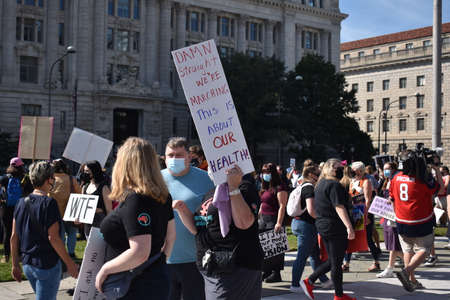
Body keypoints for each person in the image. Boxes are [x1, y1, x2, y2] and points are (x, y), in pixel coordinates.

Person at [95, 137, 176, 299]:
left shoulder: (136, 199)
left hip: (133, 285)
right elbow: (171, 238)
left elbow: (140, 252)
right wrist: (158, 266)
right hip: (153, 280)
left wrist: (105, 269)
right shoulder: (162, 196)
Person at [173, 165, 263, 300]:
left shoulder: (244, 187)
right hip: (213, 267)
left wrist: (233, 188)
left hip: (234, 267)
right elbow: (198, 228)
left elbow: (244, 223)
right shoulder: (214, 190)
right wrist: (183, 210)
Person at [10, 161, 79, 300]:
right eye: (53, 177)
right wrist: (70, 263)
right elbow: (54, 238)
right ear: (48, 179)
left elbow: (14, 237)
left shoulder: (20, 202)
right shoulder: (49, 203)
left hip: (27, 263)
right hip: (46, 264)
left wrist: (14, 265)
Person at [161, 137, 215, 300]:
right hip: (163, 259)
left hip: (195, 260)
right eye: (170, 155)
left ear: (189, 157)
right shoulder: (155, 180)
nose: (174, 159)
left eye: (179, 155)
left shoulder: (206, 180)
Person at [300, 158, 356, 300]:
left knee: (333, 260)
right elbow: (339, 207)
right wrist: (349, 226)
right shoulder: (333, 185)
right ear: (329, 168)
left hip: (324, 225)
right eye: (337, 167)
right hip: (334, 226)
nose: (340, 169)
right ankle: (338, 295)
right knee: (336, 262)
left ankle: (310, 281)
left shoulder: (320, 184)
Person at [390, 150, 444, 292]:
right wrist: (436, 169)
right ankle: (406, 272)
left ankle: (411, 280)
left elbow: (392, 198)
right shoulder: (422, 179)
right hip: (421, 220)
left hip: (401, 220)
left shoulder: (395, 177)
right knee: (424, 249)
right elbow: (440, 189)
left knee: (408, 250)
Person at [290, 165, 331, 293]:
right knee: (302, 256)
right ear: (311, 174)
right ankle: (295, 284)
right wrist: (322, 219)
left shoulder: (304, 185)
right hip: (305, 226)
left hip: (302, 224)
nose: (320, 175)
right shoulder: (309, 187)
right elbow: (311, 209)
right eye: (318, 173)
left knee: (314, 255)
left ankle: (324, 280)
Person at [343, 161, 381, 273]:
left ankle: (376, 262)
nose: (351, 171)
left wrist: (366, 215)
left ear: (359, 170)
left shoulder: (366, 182)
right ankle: (346, 264)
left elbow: (368, 200)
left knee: (368, 239)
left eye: (353, 169)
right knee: (350, 238)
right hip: (353, 212)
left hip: (363, 213)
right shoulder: (351, 181)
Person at [259, 163, 288, 283]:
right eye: (264, 172)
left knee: (275, 248)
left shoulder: (280, 187)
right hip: (263, 219)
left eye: (267, 172)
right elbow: (262, 202)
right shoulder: (265, 187)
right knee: (264, 247)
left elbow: (282, 206)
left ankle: (276, 273)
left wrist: (279, 223)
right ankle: (266, 270)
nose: (265, 175)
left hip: (274, 219)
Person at [0, 157, 33, 263]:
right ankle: (19, 255)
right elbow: (31, 193)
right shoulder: (25, 178)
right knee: (20, 232)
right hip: (21, 208)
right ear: (21, 166)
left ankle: (6, 256)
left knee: (7, 231)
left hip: (6, 208)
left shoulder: (4, 178)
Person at [49, 159, 81, 258]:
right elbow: (79, 194)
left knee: (60, 234)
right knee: (72, 233)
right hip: (71, 209)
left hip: (55, 211)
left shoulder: (50, 180)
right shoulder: (71, 179)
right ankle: (71, 253)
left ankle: (61, 254)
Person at [377, 162, 403, 278]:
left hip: (394, 215)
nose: (385, 171)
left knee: (393, 243)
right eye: (384, 169)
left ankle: (410, 261)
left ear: (393, 169)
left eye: (387, 169)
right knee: (391, 244)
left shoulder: (395, 180)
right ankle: (409, 260)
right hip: (387, 214)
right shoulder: (386, 181)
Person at [80, 160, 113, 237]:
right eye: (84, 171)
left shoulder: (103, 188)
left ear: (94, 171)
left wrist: (110, 226)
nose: (85, 173)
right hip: (87, 224)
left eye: (87, 171)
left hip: (100, 222)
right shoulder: (84, 187)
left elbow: (109, 209)